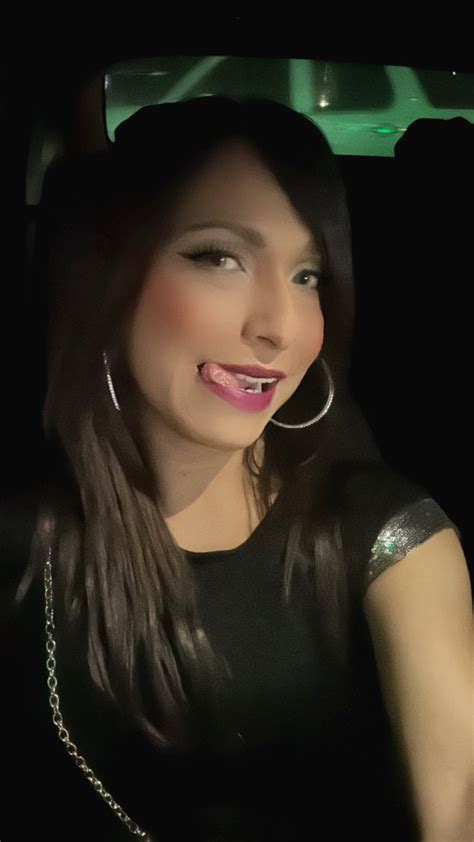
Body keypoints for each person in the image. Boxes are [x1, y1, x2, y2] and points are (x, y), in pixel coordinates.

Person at [1, 96, 471, 841]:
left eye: (308, 276)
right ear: (110, 278)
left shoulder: (388, 541)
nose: (278, 326)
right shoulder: (25, 542)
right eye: (219, 257)